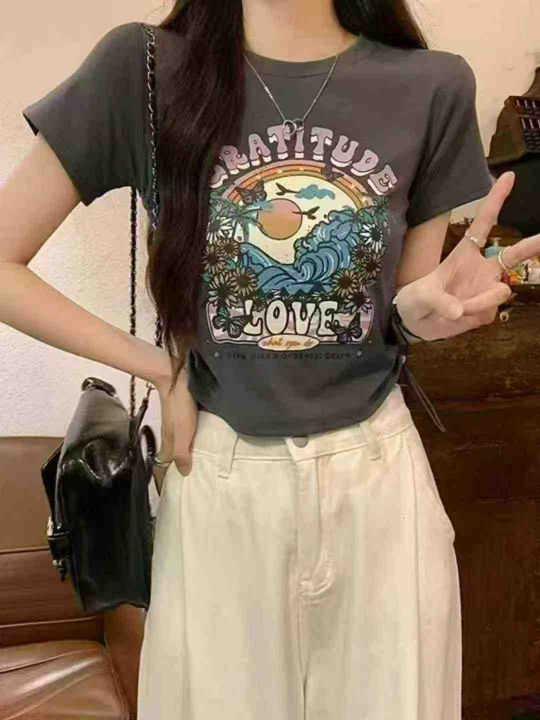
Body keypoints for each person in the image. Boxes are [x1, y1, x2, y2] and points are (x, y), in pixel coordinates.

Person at [3, 1, 540, 718]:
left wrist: (427, 311)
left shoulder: (432, 85)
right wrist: (160, 367)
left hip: (379, 481)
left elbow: (399, 311)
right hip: (222, 479)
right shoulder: (145, 69)